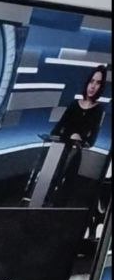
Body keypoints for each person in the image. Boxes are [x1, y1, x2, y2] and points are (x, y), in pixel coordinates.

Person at [46, 64, 109, 204]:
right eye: (92, 81)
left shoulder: (98, 110)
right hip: (61, 151)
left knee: (66, 186)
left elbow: (91, 140)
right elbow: (56, 130)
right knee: (52, 178)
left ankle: (58, 203)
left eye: (98, 83)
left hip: (77, 155)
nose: (93, 86)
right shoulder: (74, 104)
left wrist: (79, 139)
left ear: (101, 87)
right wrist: (69, 136)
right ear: (87, 82)